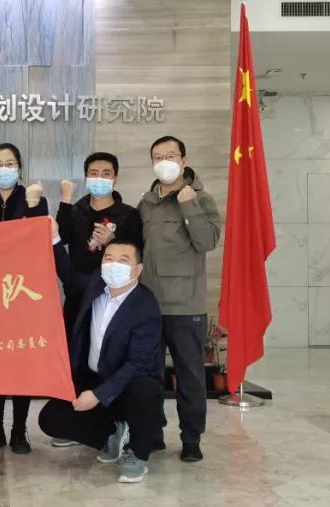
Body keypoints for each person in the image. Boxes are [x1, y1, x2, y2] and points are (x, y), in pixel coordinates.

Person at [38, 219, 165, 483]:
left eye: (123, 260)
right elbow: (69, 276)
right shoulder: (96, 286)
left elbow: (139, 362)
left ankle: (138, 453)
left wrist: (98, 395)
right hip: (95, 377)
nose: (113, 265)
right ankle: (110, 435)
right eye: (109, 258)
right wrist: (54, 238)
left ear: (138, 269)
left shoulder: (145, 305)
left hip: (128, 384)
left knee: (145, 390)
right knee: (50, 418)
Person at [138, 136, 221, 463]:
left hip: (186, 306)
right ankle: (153, 433)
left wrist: (189, 205)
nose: (164, 162)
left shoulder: (201, 198)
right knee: (150, 375)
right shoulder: (147, 202)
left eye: (170, 156)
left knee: (190, 377)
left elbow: (207, 242)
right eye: (157, 157)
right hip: (149, 304)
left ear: (183, 160)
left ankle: (191, 438)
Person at [0, 142, 48, 454]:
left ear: (19, 168)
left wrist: (33, 206)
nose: (4, 168)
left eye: (10, 163)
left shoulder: (35, 199)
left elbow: (39, 242)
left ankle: (19, 430)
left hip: (21, 295)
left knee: (20, 362)